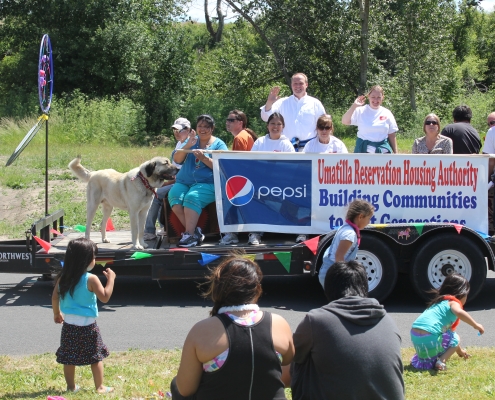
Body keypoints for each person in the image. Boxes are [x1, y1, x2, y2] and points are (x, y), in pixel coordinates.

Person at [170, 256, 294, 400]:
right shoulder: (279, 324)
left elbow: (185, 389)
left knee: (176, 384)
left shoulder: (202, 331)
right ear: (257, 289)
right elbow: (287, 375)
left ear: (217, 290)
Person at [289, 261, 404, 400]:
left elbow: (291, 356)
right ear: (364, 288)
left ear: (328, 288)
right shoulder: (388, 321)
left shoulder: (316, 320)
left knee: (298, 360)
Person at [51, 238, 116, 394]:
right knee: (96, 357)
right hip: (88, 327)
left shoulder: (63, 277)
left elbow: (54, 296)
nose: (94, 260)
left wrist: (56, 313)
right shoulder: (91, 279)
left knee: (68, 358)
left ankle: (71, 387)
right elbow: (105, 297)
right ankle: (100, 387)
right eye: (93, 257)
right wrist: (111, 279)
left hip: (69, 326)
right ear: (86, 260)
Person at [169, 114, 228, 247]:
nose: (202, 129)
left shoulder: (219, 144)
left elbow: (223, 166)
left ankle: (189, 235)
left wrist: (205, 158)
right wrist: (187, 145)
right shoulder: (191, 140)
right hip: (184, 181)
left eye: (206, 127)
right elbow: (177, 159)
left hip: (208, 183)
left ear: (212, 129)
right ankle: (195, 233)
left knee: (192, 197)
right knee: (174, 195)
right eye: (200, 126)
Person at [410, 273, 484, 371]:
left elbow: (450, 337)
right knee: (455, 337)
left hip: (415, 335)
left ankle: (426, 359)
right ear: (462, 293)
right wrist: (475, 325)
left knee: (449, 336)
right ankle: (441, 361)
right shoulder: (453, 302)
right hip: (430, 335)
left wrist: (460, 352)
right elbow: (459, 313)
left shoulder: (438, 302)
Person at [248, 113, 294, 245]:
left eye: (279, 124)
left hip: (281, 183)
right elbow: (251, 162)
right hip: (261, 181)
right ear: (267, 125)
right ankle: (255, 232)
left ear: (283, 126)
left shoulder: (287, 144)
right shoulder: (260, 142)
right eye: (273, 123)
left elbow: (291, 166)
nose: (275, 126)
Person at [144, 118, 192, 241]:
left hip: (186, 183)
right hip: (179, 181)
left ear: (188, 130)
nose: (176, 133)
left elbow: (183, 174)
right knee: (157, 191)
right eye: (175, 130)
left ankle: (149, 231)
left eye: (179, 130)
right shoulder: (180, 143)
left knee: (155, 194)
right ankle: (165, 227)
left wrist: (166, 183)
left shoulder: (189, 145)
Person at [260, 72, 326, 151]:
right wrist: (269, 102)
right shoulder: (282, 102)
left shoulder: (315, 103)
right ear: (291, 85)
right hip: (286, 148)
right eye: (295, 83)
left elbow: (324, 125)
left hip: (310, 149)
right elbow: (265, 118)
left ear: (306, 85)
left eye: (301, 83)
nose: (298, 86)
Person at [318, 199, 374, 288]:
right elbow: (339, 257)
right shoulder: (349, 234)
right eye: (368, 218)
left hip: (331, 272)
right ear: (360, 216)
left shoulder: (345, 228)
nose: (369, 222)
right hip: (334, 275)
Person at [342, 85, 399, 154]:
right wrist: (354, 106)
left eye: (378, 97)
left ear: (382, 98)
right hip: (364, 151)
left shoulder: (387, 112)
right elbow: (345, 121)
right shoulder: (360, 110)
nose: (375, 100)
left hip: (383, 152)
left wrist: (396, 154)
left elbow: (391, 134)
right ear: (368, 96)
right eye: (373, 97)